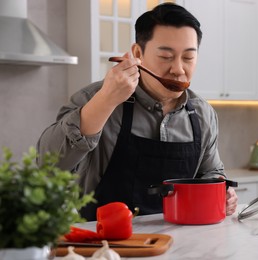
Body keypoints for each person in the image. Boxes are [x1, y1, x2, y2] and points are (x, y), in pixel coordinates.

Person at [37, 3, 237, 221]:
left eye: (188, 58)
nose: (178, 69)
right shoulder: (94, 98)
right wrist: (106, 100)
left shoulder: (203, 114)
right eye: (166, 56)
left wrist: (223, 191)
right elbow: (48, 166)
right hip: (105, 247)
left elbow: (211, 173)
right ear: (137, 53)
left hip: (180, 245)